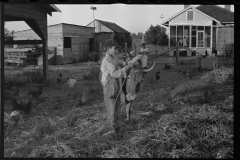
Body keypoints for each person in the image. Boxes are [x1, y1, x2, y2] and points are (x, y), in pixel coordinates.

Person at [100, 39, 138, 135]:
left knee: (117, 106)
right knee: (111, 106)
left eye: (117, 49)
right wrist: (127, 67)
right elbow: (114, 73)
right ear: (108, 49)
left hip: (116, 83)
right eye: (114, 48)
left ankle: (117, 125)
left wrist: (126, 64)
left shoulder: (113, 58)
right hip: (109, 85)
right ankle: (111, 128)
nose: (116, 51)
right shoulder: (107, 60)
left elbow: (120, 63)